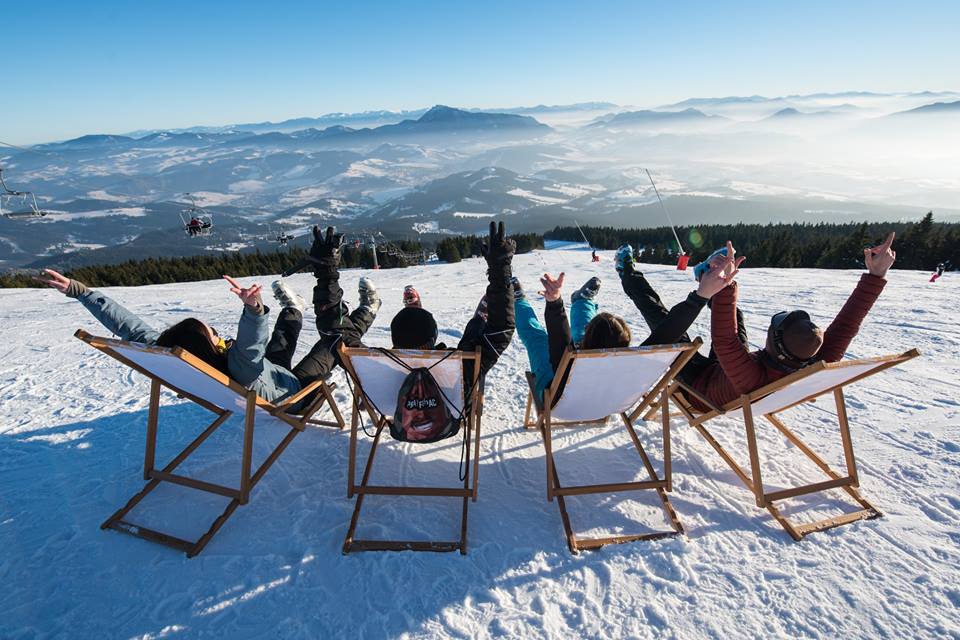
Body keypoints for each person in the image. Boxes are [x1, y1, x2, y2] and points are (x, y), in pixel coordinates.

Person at [619, 233, 897, 412]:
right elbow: (847, 326)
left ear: (775, 341)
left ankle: (629, 271)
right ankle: (709, 277)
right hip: (733, 376)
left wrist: (723, 286)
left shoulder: (750, 373)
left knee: (661, 318)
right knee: (734, 318)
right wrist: (876, 276)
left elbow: (725, 339)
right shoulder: (814, 363)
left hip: (700, 389)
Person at [37, 260, 380, 405]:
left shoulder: (181, 359)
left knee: (278, 341)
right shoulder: (239, 367)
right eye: (212, 333)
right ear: (205, 345)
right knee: (336, 341)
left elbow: (128, 326)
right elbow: (248, 348)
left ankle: (293, 309)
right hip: (291, 396)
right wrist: (253, 309)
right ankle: (368, 310)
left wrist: (81, 291)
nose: (217, 333)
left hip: (269, 376)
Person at [515, 248, 741, 405]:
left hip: (556, 396)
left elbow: (559, 342)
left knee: (537, 339)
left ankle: (518, 301)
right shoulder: (633, 365)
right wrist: (701, 297)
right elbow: (668, 332)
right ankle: (582, 301)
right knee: (582, 333)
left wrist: (554, 302)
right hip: (612, 403)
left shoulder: (569, 362)